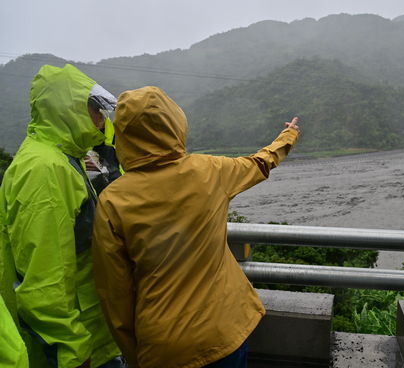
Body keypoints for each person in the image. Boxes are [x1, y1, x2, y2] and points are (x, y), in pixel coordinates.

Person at [92, 86, 300, 367]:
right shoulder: (210, 171)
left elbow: (114, 293)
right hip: (225, 331)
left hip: (163, 345)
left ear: (123, 134)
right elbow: (260, 163)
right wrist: (289, 135)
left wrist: (135, 354)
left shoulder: (113, 200)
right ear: (175, 123)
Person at [0, 64, 123, 368]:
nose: (102, 119)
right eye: (95, 111)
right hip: (76, 348)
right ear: (69, 109)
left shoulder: (65, 158)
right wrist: (72, 351)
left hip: (90, 334)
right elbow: (44, 278)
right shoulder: (44, 171)